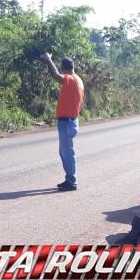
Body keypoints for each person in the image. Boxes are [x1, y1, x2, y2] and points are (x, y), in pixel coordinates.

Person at [40, 53, 84, 191]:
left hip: (67, 122)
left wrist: (48, 59)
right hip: (71, 121)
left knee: (67, 153)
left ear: (64, 68)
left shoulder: (70, 79)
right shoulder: (78, 79)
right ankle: (69, 179)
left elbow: (55, 75)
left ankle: (71, 182)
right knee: (65, 152)